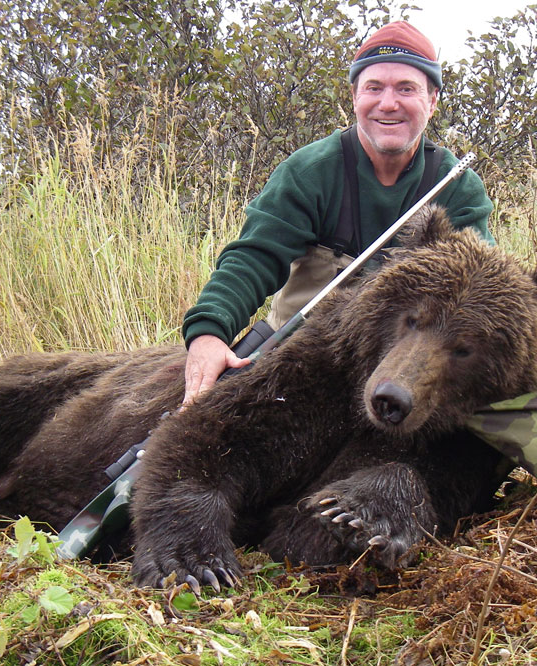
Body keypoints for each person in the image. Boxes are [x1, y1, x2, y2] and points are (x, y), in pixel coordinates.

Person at [181, 21, 494, 406]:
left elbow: (478, 296)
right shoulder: (310, 172)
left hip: (404, 373)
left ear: (432, 101)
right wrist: (209, 333)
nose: (388, 103)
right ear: (354, 97)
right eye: (374, 88)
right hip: (299, 357)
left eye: (406, 89)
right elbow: (254, 258)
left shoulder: (457, 187)